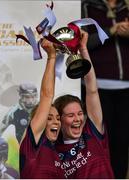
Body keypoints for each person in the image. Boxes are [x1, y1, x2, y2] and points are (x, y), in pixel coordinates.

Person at [53, 30, 114, 179]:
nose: (77, 119)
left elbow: (92, 90)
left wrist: (83, 49)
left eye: (80, 113)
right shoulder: (53, 151)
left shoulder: (91, 134)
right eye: (70, 115)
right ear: (59, 119)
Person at [81, 0, 129, 178]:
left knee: (123, 141)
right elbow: (82, 43)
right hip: (97, 85)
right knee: (98, 141)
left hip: (126, 87)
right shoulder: (86, 6)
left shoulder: (125, 7)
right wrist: (111, 31)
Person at [19, 38, 65, 179]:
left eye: (58, 118)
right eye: (49, 118)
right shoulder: (33, 144)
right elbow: (46, 96)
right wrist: (51, 57)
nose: (56, 122)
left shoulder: (57, 153)